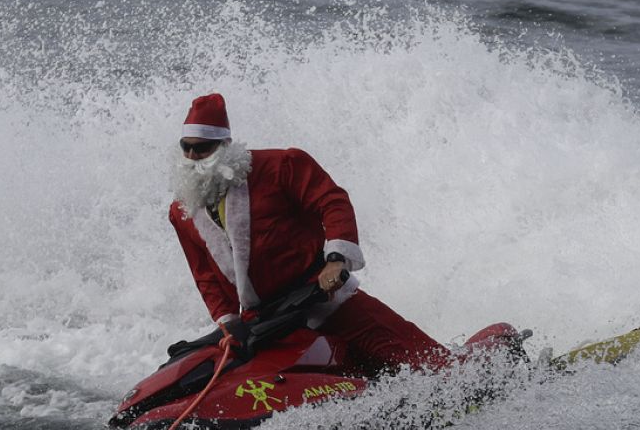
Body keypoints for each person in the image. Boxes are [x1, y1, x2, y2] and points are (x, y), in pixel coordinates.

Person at [168, 93, 455, 374]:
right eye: (187, 147)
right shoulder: (182, 212)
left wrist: (336, 260)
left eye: (203, 148)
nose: (193, 156)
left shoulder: (281, 166)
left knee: (424, 362)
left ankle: (458, 376)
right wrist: (228, 322)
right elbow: (204, 275)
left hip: (324, 297)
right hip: (265, 322)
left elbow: (332, 202)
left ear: (224, 145)